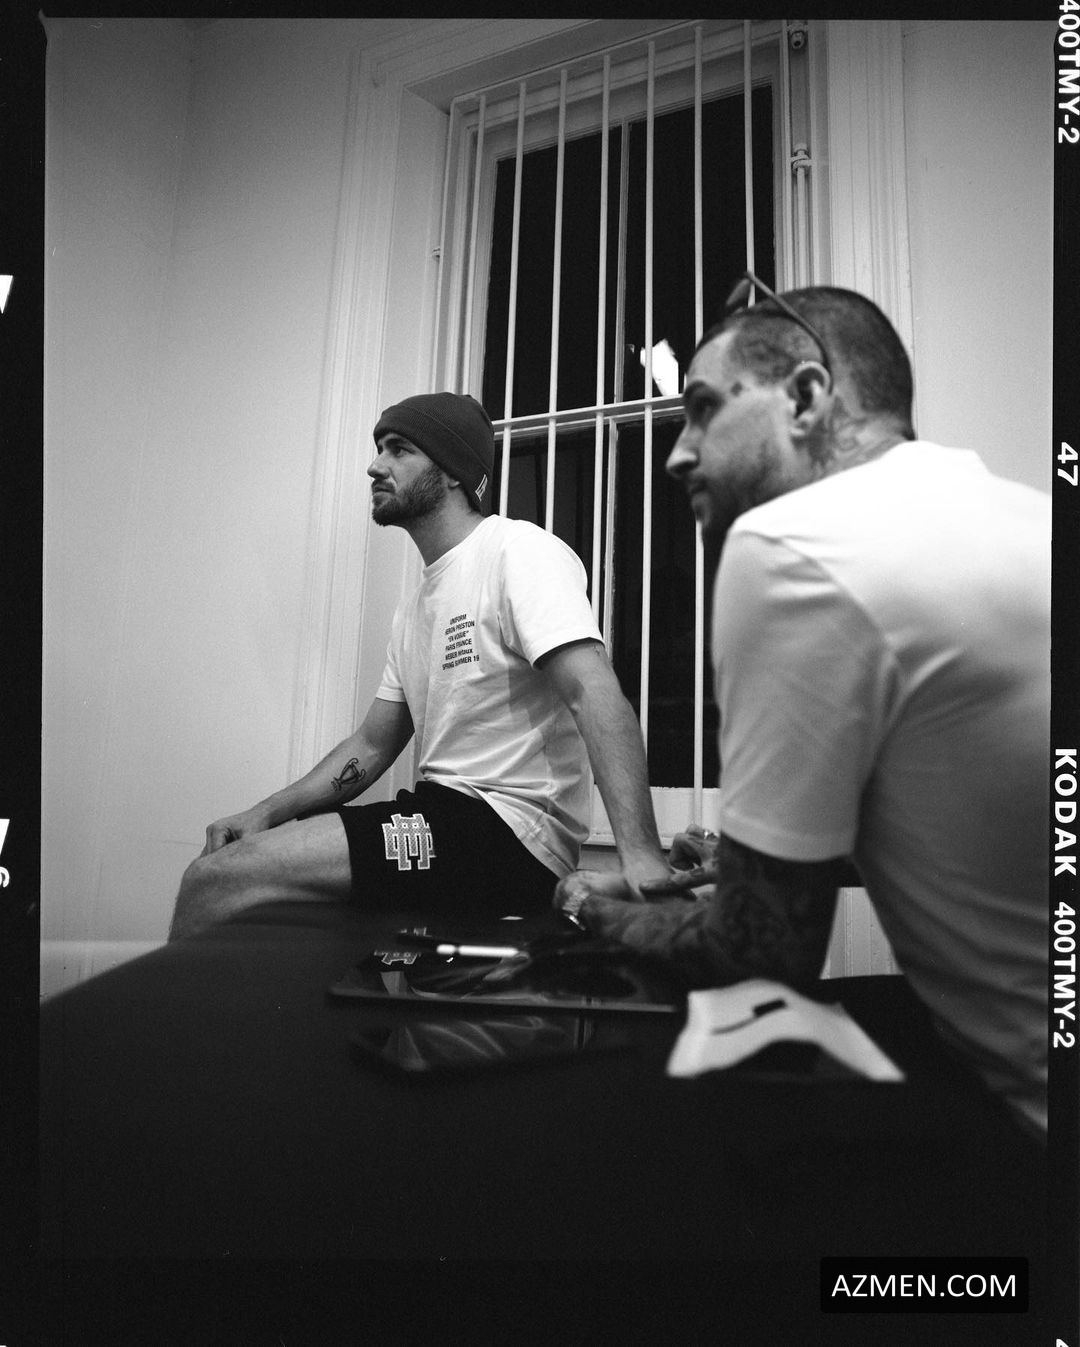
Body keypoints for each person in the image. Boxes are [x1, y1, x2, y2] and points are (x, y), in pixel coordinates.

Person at [556, 276, 1050, 1136]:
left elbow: (758, 954)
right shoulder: (1024, 516)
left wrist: (597, 908)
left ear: (807, 396)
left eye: (703, 409)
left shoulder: (789, 545)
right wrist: (751, 864)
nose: (677, 454)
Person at [170, 391, 667, 940]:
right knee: (279, 912)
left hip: (508, 832)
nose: (375, 466)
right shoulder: (414, 608)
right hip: (441, 817)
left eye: (398, 449)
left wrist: (643, 858)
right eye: (379, 448)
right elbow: (372, 745)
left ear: (453, 472)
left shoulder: (518, 552)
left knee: (215, 880)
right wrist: (266, 813)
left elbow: (592, 692)